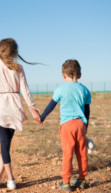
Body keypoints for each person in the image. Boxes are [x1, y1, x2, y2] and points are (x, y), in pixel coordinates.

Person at [0, 38, 41, 190]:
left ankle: (10, 179)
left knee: (5, 145)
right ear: (14, 53)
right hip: (14, 109)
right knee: (5, 144)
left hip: (0, 109)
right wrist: (33, 108)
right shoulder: (18, 68)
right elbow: (25, 91)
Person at [40, 59, 91, 192]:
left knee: (68, 153)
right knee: (81, 153)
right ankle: (82, 180)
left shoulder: (60, 89)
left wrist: (42, 117)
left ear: (64, 75)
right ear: (79, 75)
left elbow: (51, 105)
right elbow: (87, 111)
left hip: (67, 126)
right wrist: (86, 126)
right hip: (81, 125)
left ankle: (66, 183)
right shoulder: (85, 90)